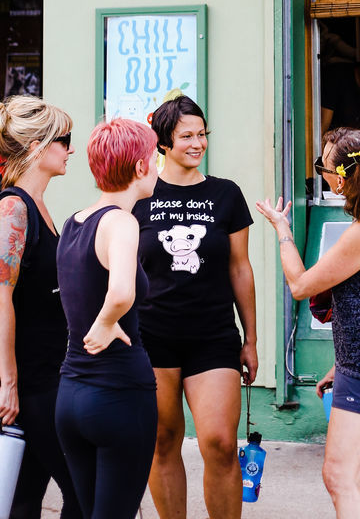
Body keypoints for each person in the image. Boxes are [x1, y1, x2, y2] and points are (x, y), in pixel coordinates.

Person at [257, 127, 360, 519]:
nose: (322, 175)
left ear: (341, 178)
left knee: (339, 476)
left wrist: (282, 231)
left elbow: (300, 285)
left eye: (322, 168)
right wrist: (338, 366)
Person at [133, 95, 257, 519]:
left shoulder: (226, 195)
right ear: (163, 142)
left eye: (202, 134)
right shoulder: (140, 196)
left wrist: (252, 340)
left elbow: (241, 269)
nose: (197, 142)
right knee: (162, 440)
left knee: (221, 444)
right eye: (187, 135)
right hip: (151, 338)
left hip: (213, 336)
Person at [55, 117, 160, 519]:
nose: (157, 167)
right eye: (154, 158)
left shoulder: (74, 223)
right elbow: (120, 291)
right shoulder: (122, 221)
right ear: (139, 167)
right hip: (118, 397)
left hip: (71, 398)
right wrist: (105, 321)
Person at [0, 96, 83, 519]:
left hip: (48, 371)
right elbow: (1, 297)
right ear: (36, 147)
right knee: (84, 491)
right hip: (31, 382)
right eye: (64, 139)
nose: (71, 148)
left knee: (25, 495)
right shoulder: (14, 208)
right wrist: (8, 383)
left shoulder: (40, 207)